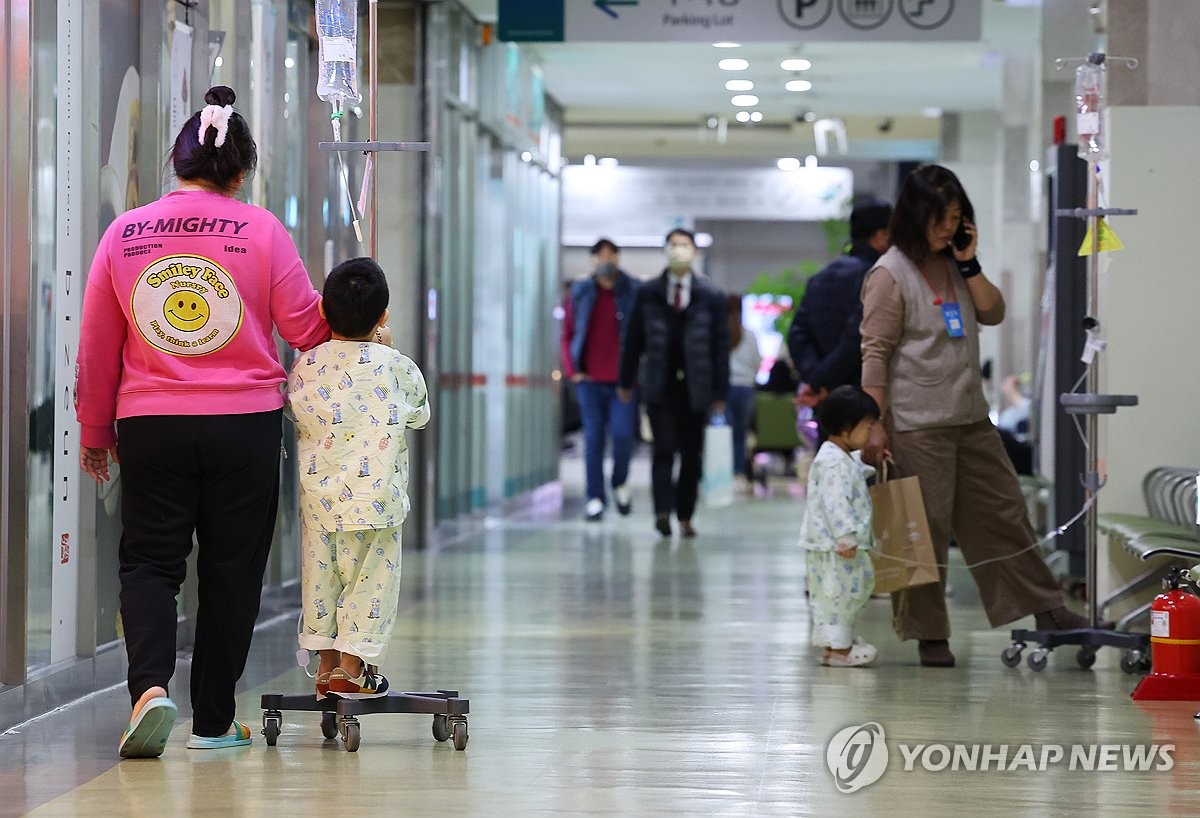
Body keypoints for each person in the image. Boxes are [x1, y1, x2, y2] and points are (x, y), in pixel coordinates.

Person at [76, 86, 330, 756]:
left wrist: (95, 430)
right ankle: (214, 721)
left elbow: (98, 345)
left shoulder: (123, 232)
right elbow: (305, 327)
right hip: (243, 424)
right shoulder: (263, 231)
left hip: (151, 423)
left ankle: (149, 693)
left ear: (175, 162)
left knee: (151, 562)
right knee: (232, 569)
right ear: (240, 173)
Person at [859, 164, 1092, 668]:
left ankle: (1046, 609)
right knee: (922, 529)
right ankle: (929, 634)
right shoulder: (889, 274)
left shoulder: (955, 263)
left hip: (970, 417)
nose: (948, 227)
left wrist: (969, 261)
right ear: (915, 218)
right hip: (916, 424)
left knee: (1005, 514)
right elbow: (874, 353)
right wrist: (874, 423)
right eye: (940, 219)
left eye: (957, 217)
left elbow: (994, 311)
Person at [288, 257, 430, 700]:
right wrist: (389, 348)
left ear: (323, 312)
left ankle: (325, 667)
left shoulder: (305, 368)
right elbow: (420, 415)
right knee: (372, 581)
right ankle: (353, 668)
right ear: (383, 316)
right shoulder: (396, 366)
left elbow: (297, 413)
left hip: (321, 501)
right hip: (376, 501)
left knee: (321, 578)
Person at [619, 228, 729, 538]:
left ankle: (685, 515)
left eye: (684, 245)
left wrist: (720, 391)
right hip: (659, 384)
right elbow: (633, 339)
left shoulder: (711, 295)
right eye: (673, 245)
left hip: (697, 386)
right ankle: (662, 512)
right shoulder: (648, 292)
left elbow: (720, 347)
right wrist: (625, 379)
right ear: (665, 250)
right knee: (664, 448)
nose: (678, 250)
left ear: (695, 251)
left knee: (692, 454)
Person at [799, 386, 881, 668]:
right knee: (842, 596)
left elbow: (850, 474)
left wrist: (871, 465)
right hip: (836, 547)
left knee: (833, 597)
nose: (870, 434)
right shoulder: (834, 464)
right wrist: (846, 537)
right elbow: (836, 503)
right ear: (847, 428)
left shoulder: (835, 456)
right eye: (868, 427)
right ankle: (841, 652)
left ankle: (834, 646)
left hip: (827, 546)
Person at [561, 239, 639, 520]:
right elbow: (568, 332)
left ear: (618, 258)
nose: (605, 259)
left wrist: (636, 373)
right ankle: (595, 497)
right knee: (593, 439)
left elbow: (641, 335)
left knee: (623, 436)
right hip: (589, 381)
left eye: (611, 254)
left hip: (624, 383)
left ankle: (619, 480)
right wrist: (574, 371)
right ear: (592, 260)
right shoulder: (581, 291)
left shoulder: (633, 291)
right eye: (600, 255)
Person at [787, 200, 892, 409]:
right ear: (881, 236)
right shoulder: (878, 278)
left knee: (830, 443)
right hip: (864, 398)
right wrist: (827, 379)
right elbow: (857, 338)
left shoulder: (819, 278)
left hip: (825, 400)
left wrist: (817, 379)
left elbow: (797, 334)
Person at [725, 293, 761, 493]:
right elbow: (758, 362)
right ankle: (739, 474)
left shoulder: (720, 335)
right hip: (745, 388)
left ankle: (721, 473)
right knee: (740, 435)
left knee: (723, 434)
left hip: (724, 389)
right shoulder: (750, 335)